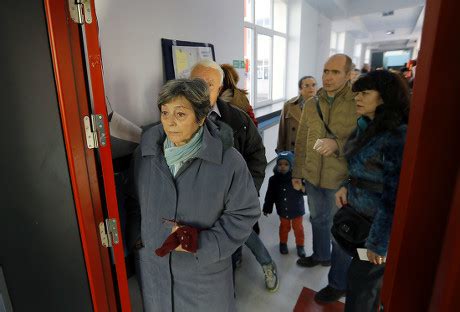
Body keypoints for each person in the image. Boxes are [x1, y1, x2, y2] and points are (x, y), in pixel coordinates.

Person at [125, 79, 261, 311]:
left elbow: (244, 213)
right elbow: (132, 201)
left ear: (200, 118)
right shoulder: (145, 154)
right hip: (154, 268)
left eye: (180, 114)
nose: (170, 122)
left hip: (202, 276)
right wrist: (139, 237)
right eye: (165, 112)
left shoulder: (228, 161)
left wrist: (202, 243)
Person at [190, 60, 278, 292]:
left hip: (233, 201)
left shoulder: (239, 120)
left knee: (239, 235)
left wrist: (249, 192)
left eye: (208, 84)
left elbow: (257, 157)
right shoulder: (177, 119)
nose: (200, 90)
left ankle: (263, 263)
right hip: (198, 207)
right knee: (212, 253)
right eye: (195, 83)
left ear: (219, 89)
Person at [335, 70, 409, 311]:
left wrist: (377, 245)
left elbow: (394, 195)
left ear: (385, 97)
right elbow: (362, 169)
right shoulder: (370, 127)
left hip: (376, 232)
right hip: (360, 221)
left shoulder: (397, 135)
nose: (357, 98)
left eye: (365, 93)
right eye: (357, 93)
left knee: (362, 289)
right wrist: (345, 186)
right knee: (360, 286)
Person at [292, 54, 358, 303]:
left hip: (340, 181)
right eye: (325, 71)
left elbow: (365, 141)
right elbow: (302, 141)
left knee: (339, 233)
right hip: (312, 176)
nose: (328, 77)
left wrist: (338, 145)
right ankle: (321, 255)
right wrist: (298, 172)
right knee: (317, 220)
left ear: (349, 74)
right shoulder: (312, 103)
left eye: (335, 72)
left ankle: (338, 282)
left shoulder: (357, 102)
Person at [263, 151, 306, 257]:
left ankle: (300, 245)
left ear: (291, 166)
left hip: (297, 209)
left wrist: (301, 187)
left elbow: (306, 191)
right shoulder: (273, 180)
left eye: (286, 164)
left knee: (298, 228)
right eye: (280, 164)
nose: (283, 167)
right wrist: (267, 207)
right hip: (283, 209)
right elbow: (270, 195)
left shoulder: (297, 178)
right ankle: (283, 243)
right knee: (284, 227)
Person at [277, 76, 317, 153]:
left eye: (313, 85)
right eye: (307, 85)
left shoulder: (323, 106)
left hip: (313, 152)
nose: (311, 88)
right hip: (293, 150)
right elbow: (282, 130)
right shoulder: (289, 105)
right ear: (300, 89)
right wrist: (280, 150)